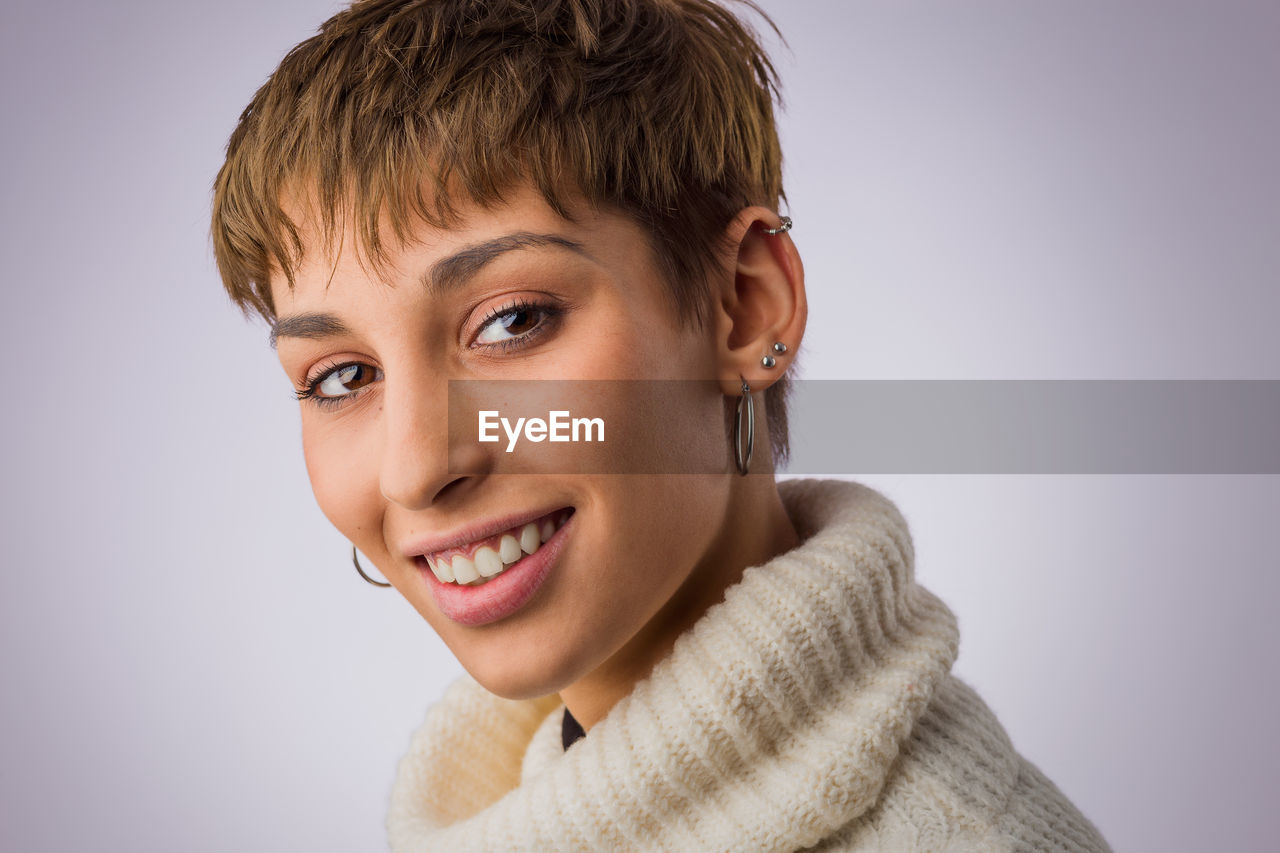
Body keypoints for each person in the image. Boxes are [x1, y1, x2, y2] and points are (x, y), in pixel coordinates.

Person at [210, 1, 1112, 849]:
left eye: (512, 320)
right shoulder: (510, 798)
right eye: (342, 377)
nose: (413, 468)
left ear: (746, 308)